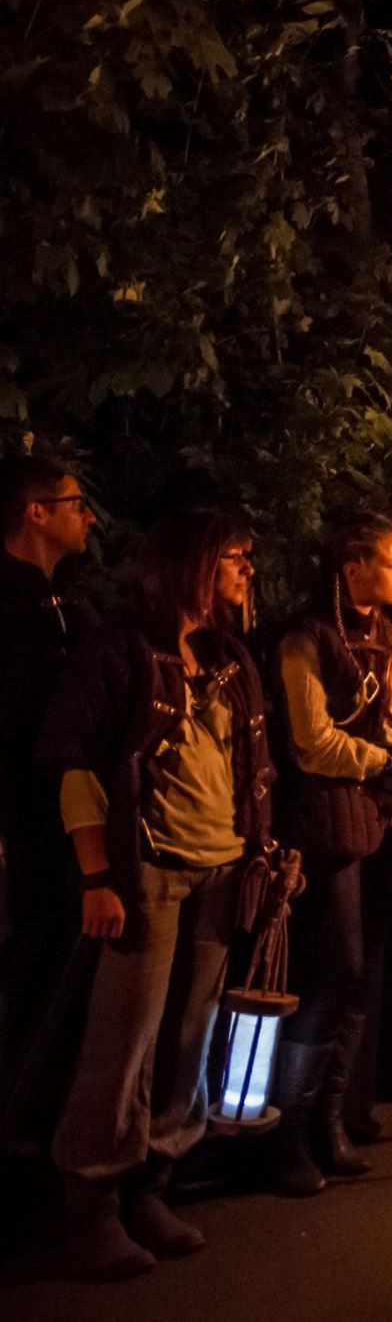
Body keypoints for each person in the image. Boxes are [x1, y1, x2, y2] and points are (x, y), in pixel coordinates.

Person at [38, 508, 276, 1278]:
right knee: (124, 1041)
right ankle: (93, 1203)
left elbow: (251, 765)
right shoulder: (122, 649)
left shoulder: (230, 656)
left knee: (188, 1038)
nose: (247, 569)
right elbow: (74, 761)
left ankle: (153, 1181)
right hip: (149, 872)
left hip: (221, 868)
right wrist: (97, 876)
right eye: (235, 556)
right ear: (194, 564)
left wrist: (262, 856)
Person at [267, 514, 392, 1196]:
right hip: (326, 823)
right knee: (332, 973)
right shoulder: (304, 638)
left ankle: (329, 1117)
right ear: (351, 567)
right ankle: (285, 1132)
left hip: (384, 816)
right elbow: (313, 742)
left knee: (360, 975)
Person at [0, 455, 98, 1140]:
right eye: (73, 502)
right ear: (36, 512)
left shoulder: (64, 601)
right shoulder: (6, 603)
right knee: (29, 962)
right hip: (22, 815)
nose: (87, 515)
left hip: (61, 813)